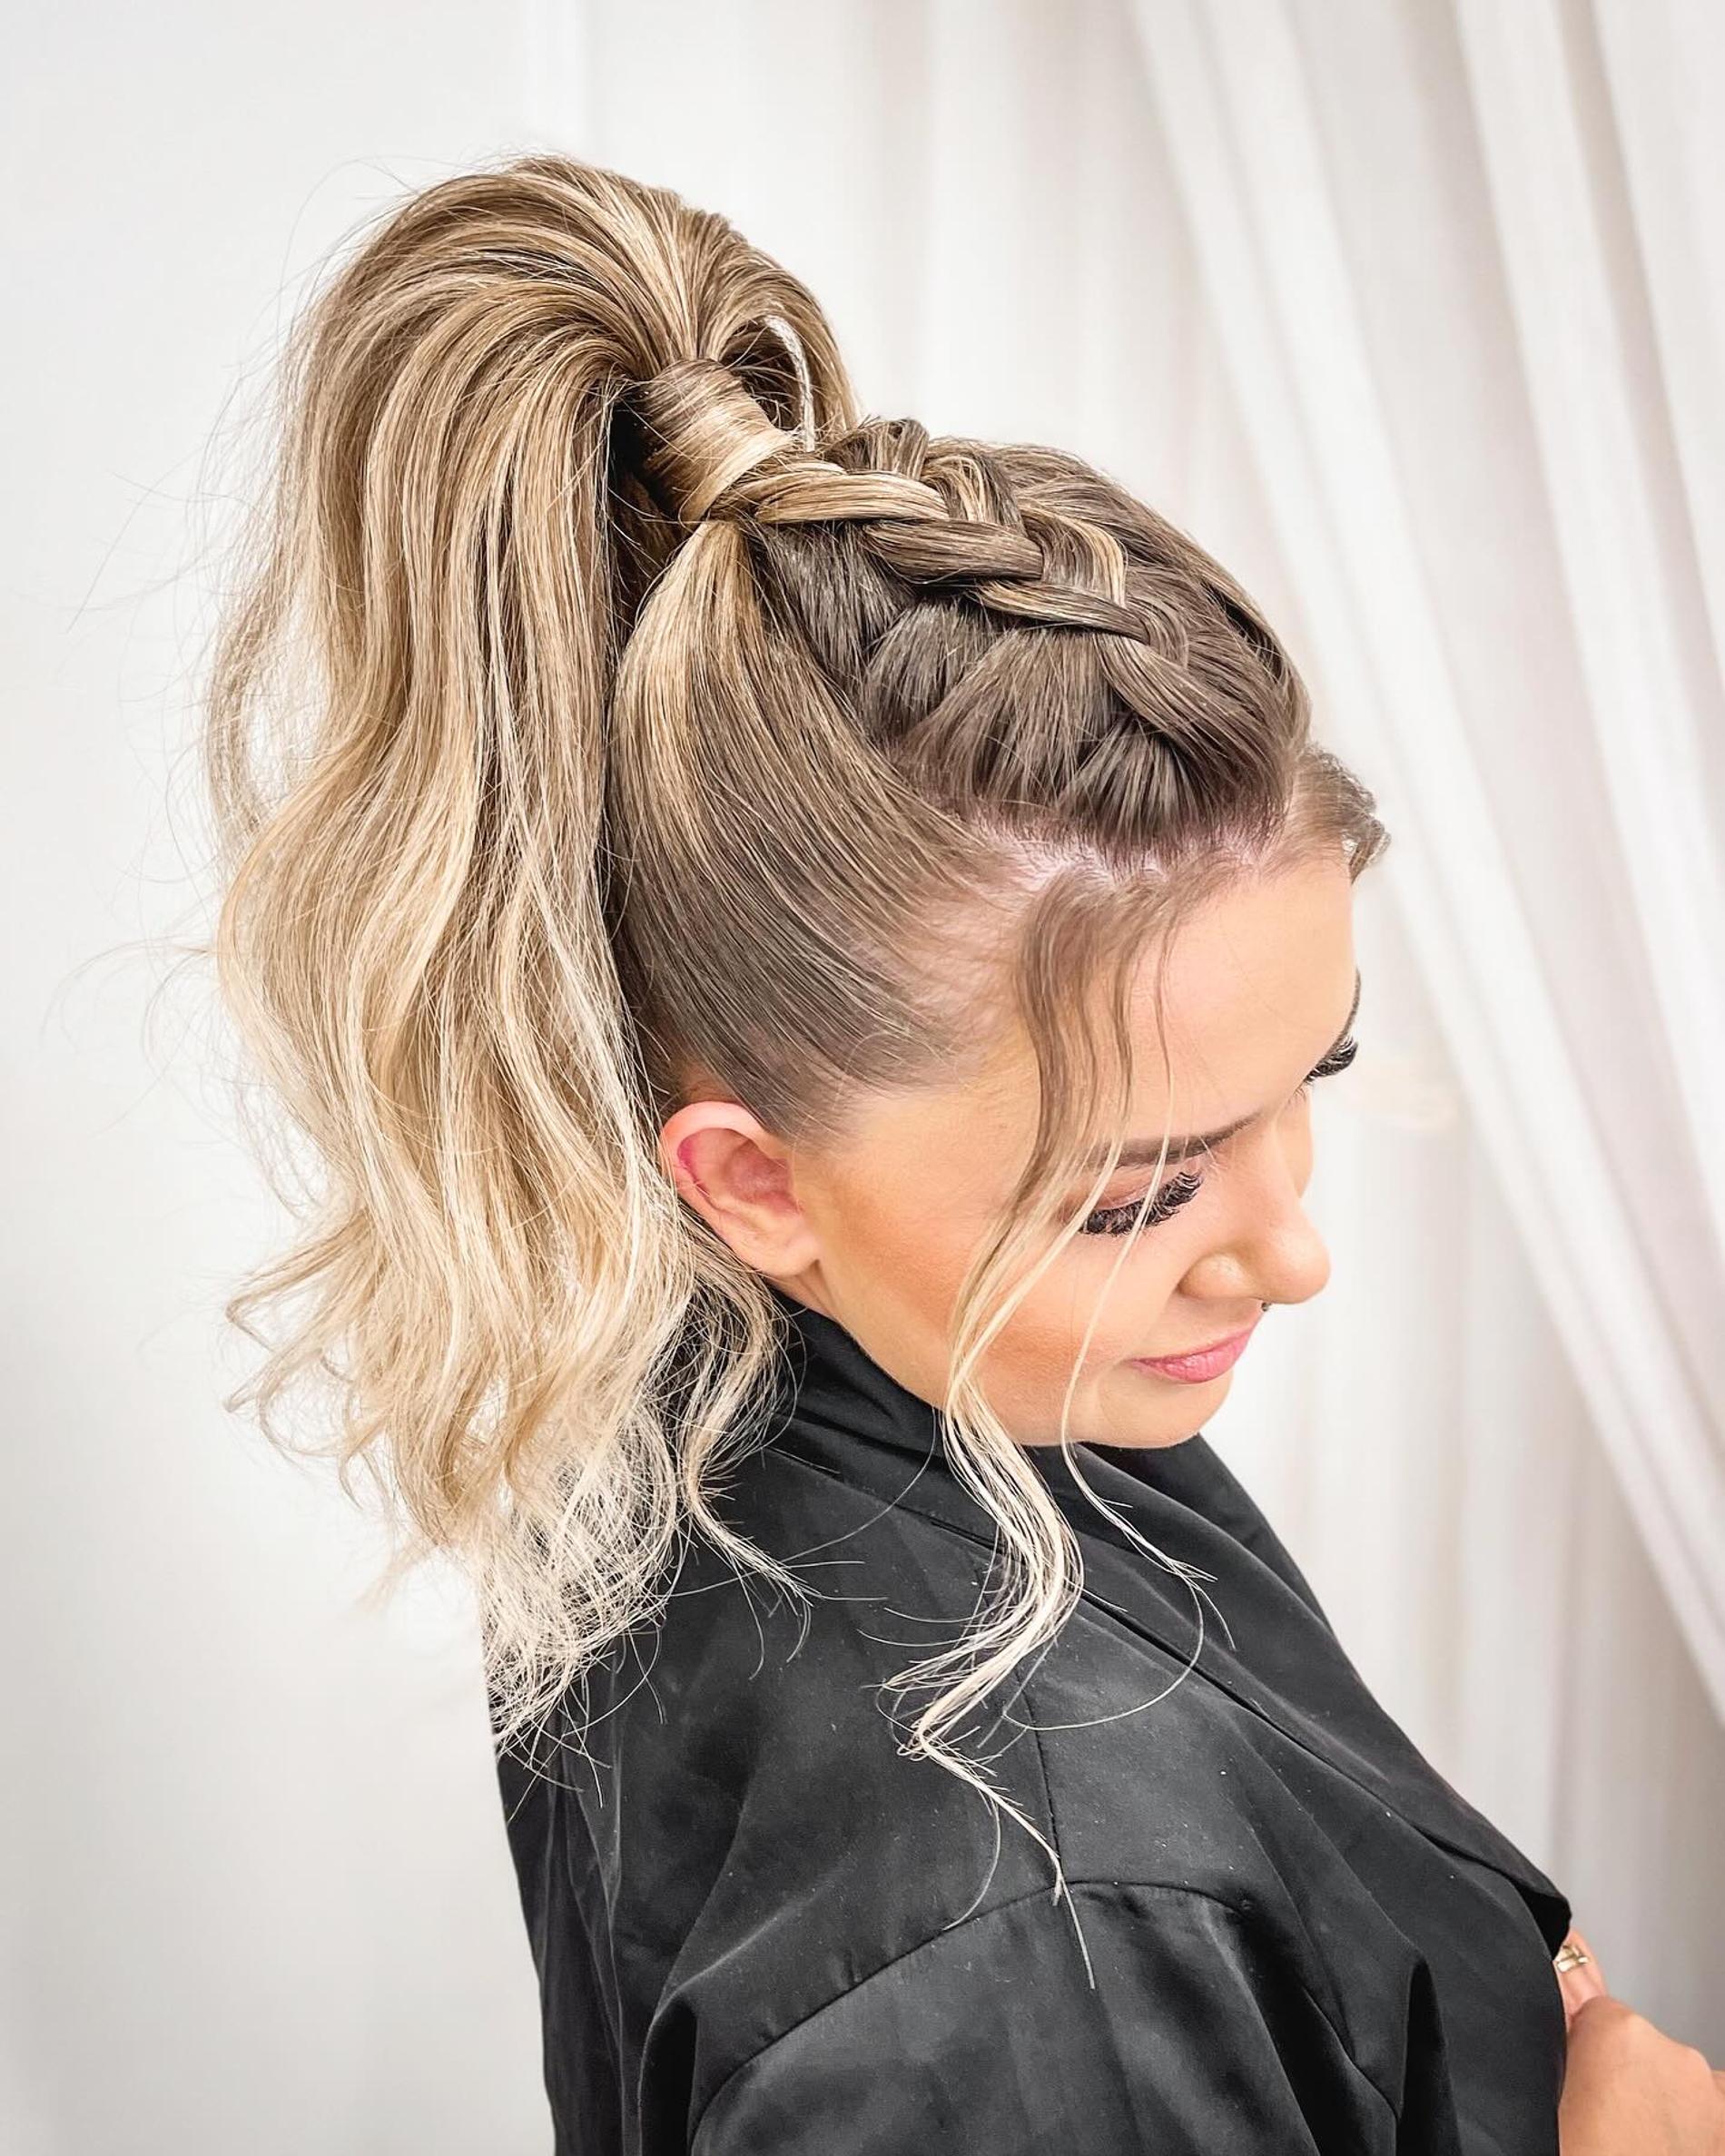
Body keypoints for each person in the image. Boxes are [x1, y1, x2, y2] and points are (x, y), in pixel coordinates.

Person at [199, 153, 1725, 2152]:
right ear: (753, 1183)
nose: (1289, 1253)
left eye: (1314, 1078)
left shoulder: (853, 1378)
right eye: (1141, 1190)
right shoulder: (1016, 1952)